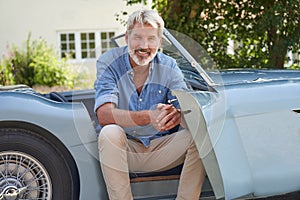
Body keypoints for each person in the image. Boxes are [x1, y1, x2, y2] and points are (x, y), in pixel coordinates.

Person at [94, 8, 206, 200]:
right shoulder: (109, 62)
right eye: (137, 37)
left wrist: (176, 115)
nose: (144, 46)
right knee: (109, 132)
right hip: (123, 150)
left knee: (203, 134)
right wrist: (149, 116)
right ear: (127, 37)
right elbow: (104, 115)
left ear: (159, 42)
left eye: (151, 39)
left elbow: (186, 104)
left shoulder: (169, 66)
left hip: (162, 148)